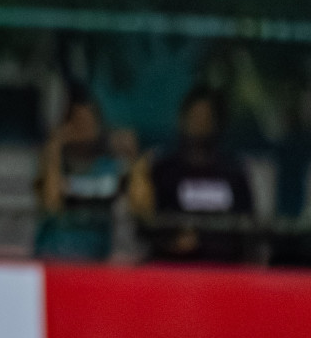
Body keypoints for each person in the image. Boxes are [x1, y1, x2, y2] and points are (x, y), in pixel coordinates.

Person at [130, 87, 256, 263]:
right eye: (195, 115)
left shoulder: (233, 172)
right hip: (173, 265)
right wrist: (171, 242)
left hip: (225, 266)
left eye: (206, 117)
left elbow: (248, 225)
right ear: (183, 118)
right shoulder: (163, 169)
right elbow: (146, 223)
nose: (200, 122)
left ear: (217, 122)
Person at [32, 90, 133, 261]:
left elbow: (132, 205)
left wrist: (131, 156)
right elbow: (50, 203)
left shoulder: (109, 164)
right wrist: (55, 145)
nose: (84, 128)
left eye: (89, 121)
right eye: (78, 122)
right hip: (56, 252)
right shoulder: (56, 163)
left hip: (97, 253)